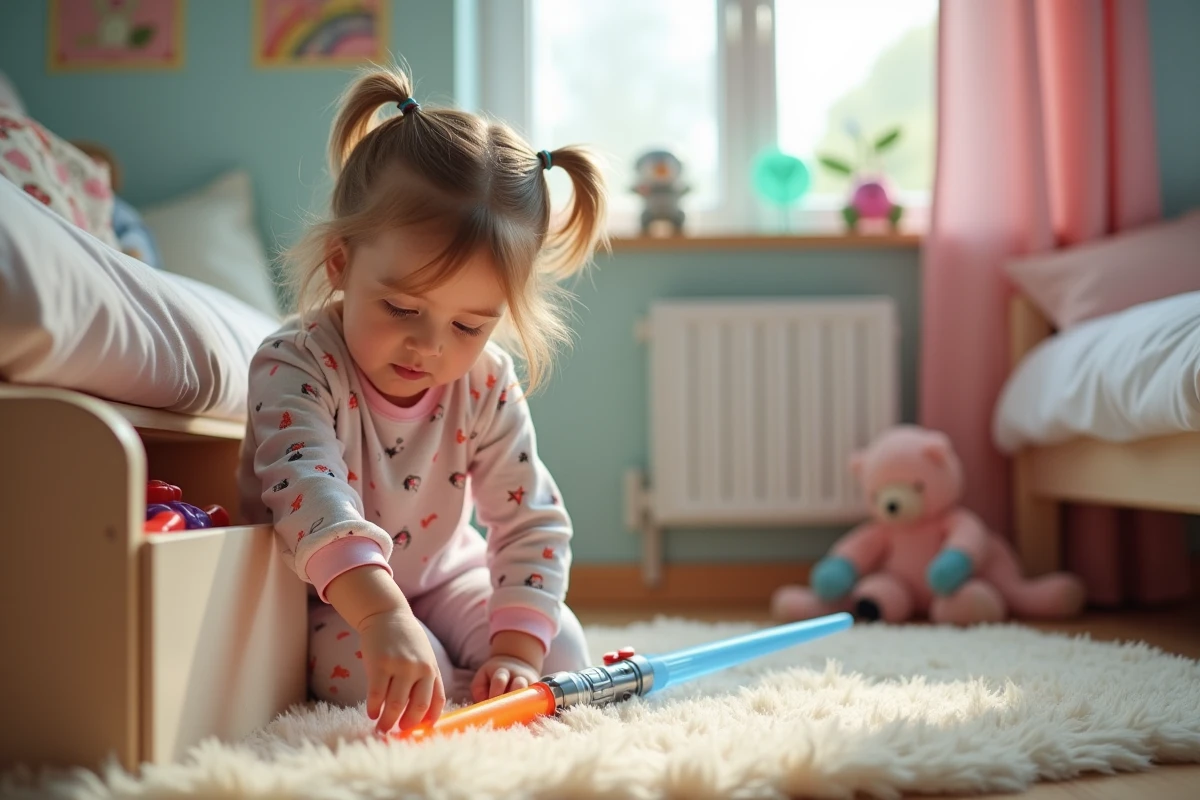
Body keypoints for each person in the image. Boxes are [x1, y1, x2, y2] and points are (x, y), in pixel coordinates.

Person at [236, 64, 608, 736]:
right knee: (390, 675)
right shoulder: (294, 364)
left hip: (446, 574)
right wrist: (383, 618)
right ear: (342, 263)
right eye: (403, 307)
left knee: (561, 648)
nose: (430, 347)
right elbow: (310, 494)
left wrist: (515, 655)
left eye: (470, 325)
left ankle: (491, 690)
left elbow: (531, 522)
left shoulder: (486, 380)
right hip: (334, 599)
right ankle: (465, 697)